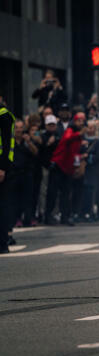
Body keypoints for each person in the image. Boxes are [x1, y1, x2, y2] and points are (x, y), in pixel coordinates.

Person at [47, 112, 85, 225]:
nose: (81, 123)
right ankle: (48, 215)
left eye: (82, 121)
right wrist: (79, 134)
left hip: (68, 167)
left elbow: (76, 152)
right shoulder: (70, 130)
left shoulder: (78, 134)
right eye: (79, 120)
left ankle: (65, 216)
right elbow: (67, 138)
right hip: (59, 164)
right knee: (53, 192)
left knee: (66, 193)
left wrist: (77, 165)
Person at [0, 96, 15, 253]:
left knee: (2, 206)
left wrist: (2, 168)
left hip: (1, 166)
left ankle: (2, 242)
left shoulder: (4, 115)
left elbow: (6, 143)